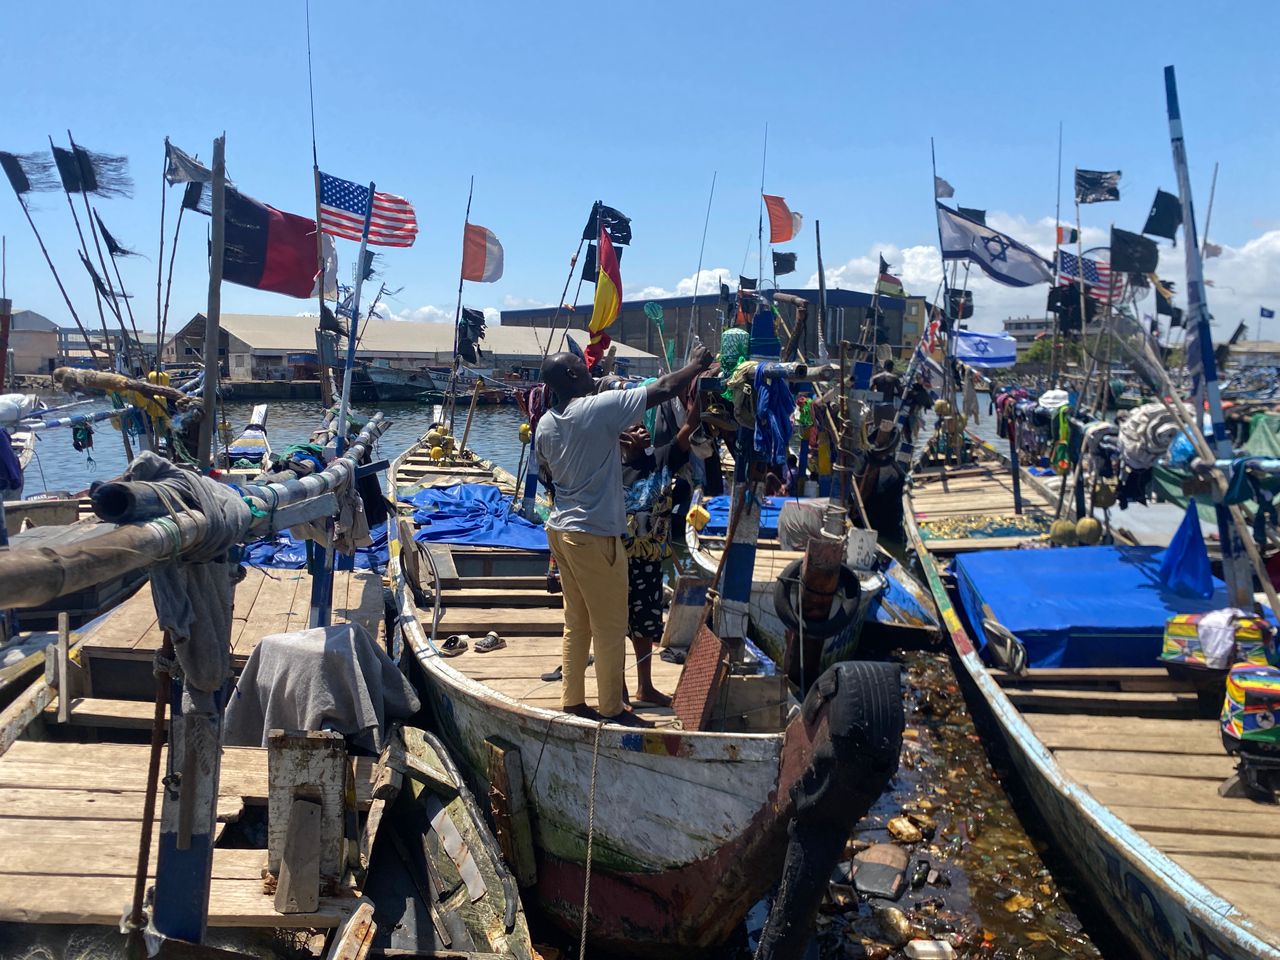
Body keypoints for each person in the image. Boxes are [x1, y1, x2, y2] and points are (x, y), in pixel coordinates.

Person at [536, 345, 714, 726]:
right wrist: (695, 366)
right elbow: (663, 388)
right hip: (593, 533)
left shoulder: (546, 423)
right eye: (582, 367)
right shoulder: (597, 409)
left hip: (561, 530)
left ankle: (573, 700)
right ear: (572, 376)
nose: (590, 372)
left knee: (577, 622)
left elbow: (548, 473)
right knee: (611, 625)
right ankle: (613, 709)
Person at [618, 380, 703, 708]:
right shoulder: (608, 467)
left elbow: (690, 428)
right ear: (620, 437)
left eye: (643, 426)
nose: (641, 429)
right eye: (633, 428)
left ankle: (645, 686)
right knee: (615, 624)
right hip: (616, 559)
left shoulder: (660, 460)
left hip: (650, 559)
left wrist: (699, 387)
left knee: (646, 624)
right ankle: (618, 688)